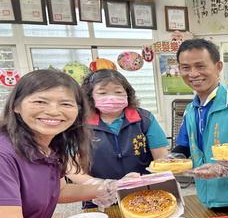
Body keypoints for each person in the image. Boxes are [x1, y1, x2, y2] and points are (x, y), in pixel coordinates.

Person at [0, 69, 145, 218]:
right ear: (16, 106)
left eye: (65, 103)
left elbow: (54, 191)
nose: (54, 111)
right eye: (40, 101)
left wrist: (113, 186)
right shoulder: (5, 154)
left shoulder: (48, 146)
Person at [170, 38, 228, 214]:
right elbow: (184, 146)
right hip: (206, 197)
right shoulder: (190, 110)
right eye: (186, 67)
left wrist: (227, 167)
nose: (193, 74)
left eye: (200, 66)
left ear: (218, 66)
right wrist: (171, 159)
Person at [67, 69, 170, 209]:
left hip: (145, 195)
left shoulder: (145, 119)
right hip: (98, 199)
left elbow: (161, 160)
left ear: (127, 94)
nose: (111, 97)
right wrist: (105, 186)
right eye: (102, 93)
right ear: (89, 96)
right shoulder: (79, 124)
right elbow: (72, 169)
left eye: (118, 92)